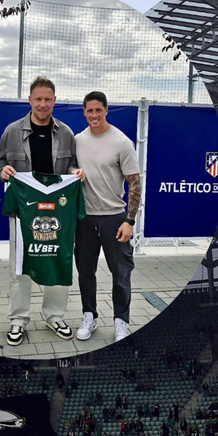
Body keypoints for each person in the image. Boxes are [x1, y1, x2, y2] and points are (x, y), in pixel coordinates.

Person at [0, 77, 84, 345]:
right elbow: (0, 163)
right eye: (38, 99)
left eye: (48, 99)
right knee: (21, 265)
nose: (43, 104)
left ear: (54, 101)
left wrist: (74, 173)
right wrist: (3, 171)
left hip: (58, 212)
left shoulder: (66, 132)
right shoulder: (12, 131)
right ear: (30, 100)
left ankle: (54, 315)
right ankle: (18, 318)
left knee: (58, 260)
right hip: (25, 212)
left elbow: (72, 164)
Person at [72, 91, 141, 343]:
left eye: (98, 110)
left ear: (106, 110)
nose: (93, 115)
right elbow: (69, 169)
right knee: (85, 273)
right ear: (84, 112)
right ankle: (89, 315)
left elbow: (135, 185)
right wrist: (73, 171)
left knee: (120, 273)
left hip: (115, 218)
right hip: (85, 219)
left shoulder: (121, 142)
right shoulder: (77, 140)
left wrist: (129, 221)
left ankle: (121, 321)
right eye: (89, 111)